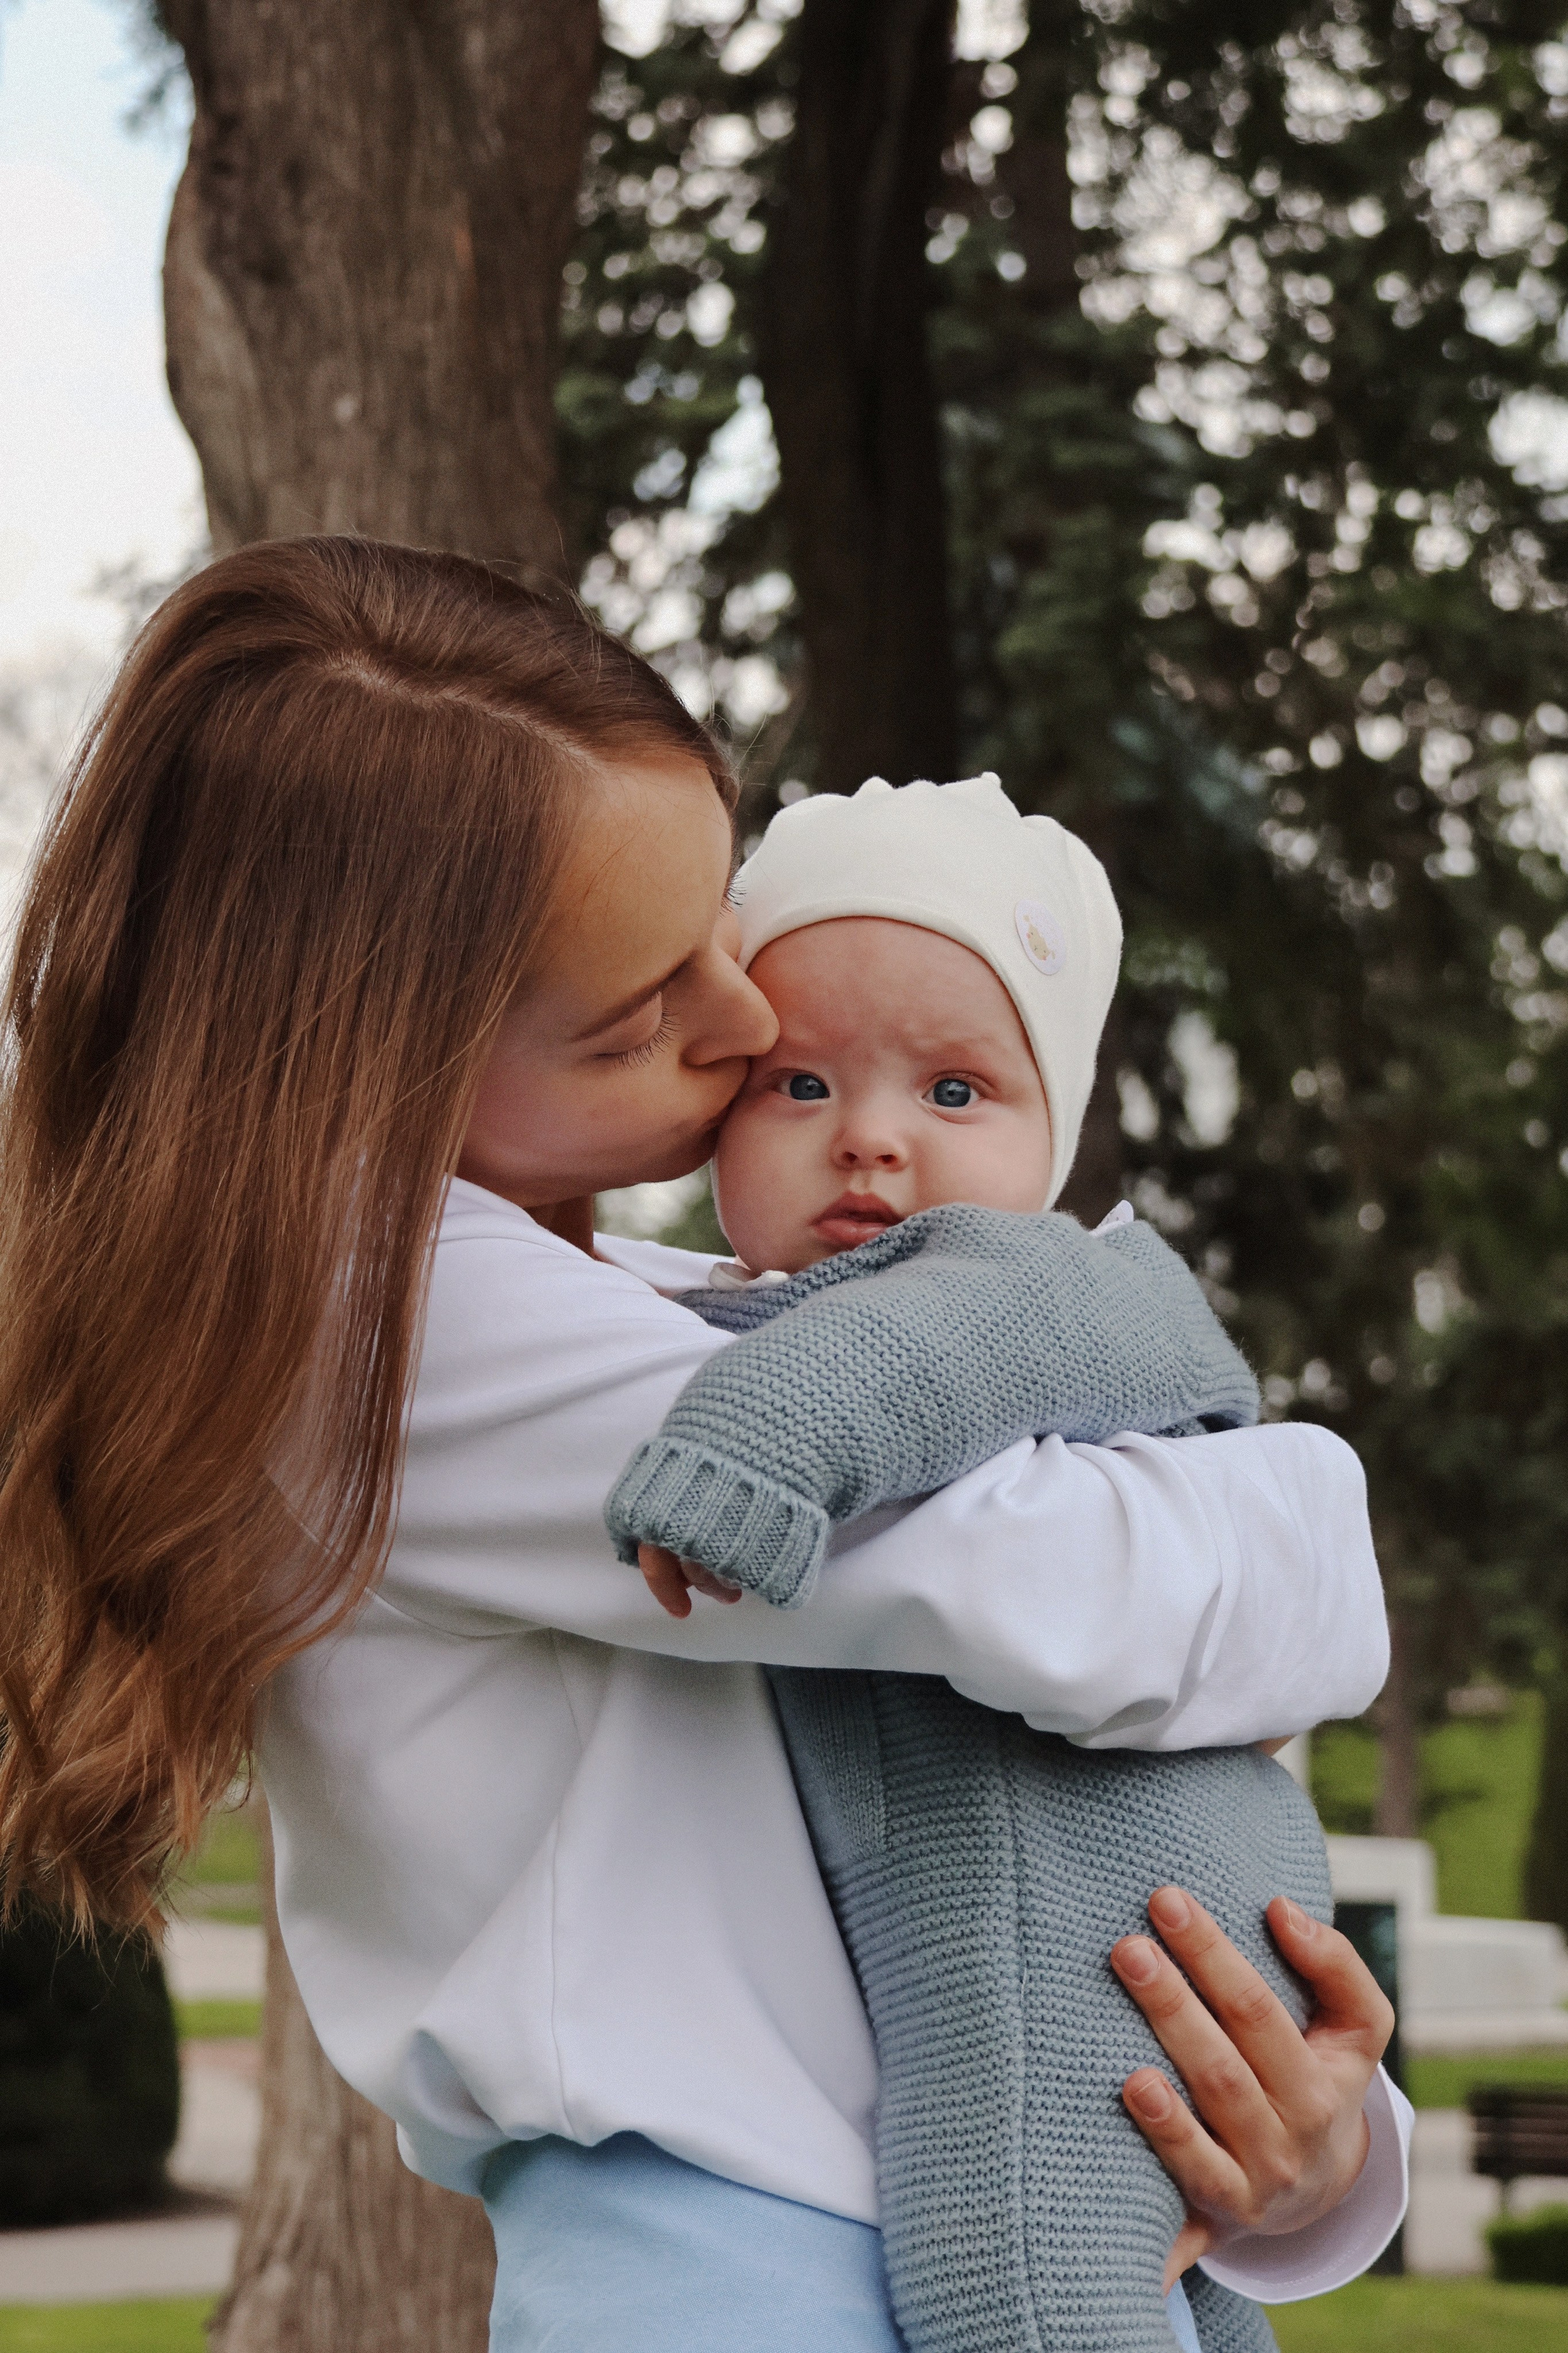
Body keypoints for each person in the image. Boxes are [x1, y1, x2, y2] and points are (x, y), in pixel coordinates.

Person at [0, 539, 1403, 2353]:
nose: (750, 1029)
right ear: (383, 1062)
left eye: (719, 933)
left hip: (902, 2216)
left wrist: (1314, 2173)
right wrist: (1293, 1504)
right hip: (726, 2268)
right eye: (647, 1003)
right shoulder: (381, 1335)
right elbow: (1094, 1591)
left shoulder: (628, 1305)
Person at [609, 774, 1409, 2352]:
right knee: (1171, 2295)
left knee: (1020, 2275)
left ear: (1055, 1135)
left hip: (1084, 1901)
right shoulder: (668, 1311)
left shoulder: (1060, 1282)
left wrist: (749, 1447)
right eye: (799, 1084)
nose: (874, 1141)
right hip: (1075, 1905)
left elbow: (924, 1355)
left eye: (958, 1092)